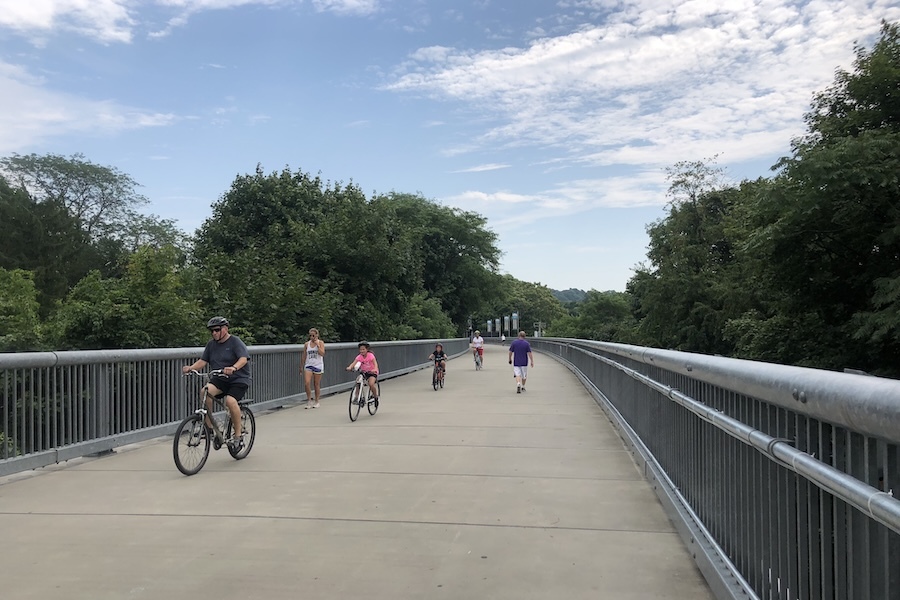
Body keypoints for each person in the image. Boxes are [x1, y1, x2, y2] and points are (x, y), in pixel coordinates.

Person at [182, 316, 251, 449]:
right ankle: (208, 429)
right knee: (205, 392)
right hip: (220, 378)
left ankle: (238, 436)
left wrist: (234, 368)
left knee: (230, 402)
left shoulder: (235, 342)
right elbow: (203, 361)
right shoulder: (211, 345)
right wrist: (191, 368)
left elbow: (243, 359)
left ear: (225, 329)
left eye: (217, 330)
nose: (214, 333)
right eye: (212, 331)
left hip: (238, 379)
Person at [303, 328, 325, 409]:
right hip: (308, 365)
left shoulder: (321, 343)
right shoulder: (306, 344)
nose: (312, 337)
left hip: (318, 365)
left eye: (313, 335)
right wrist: (301, 366)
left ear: (317, 335)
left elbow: (322, 353)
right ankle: (309, 400)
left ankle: (317, 401)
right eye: (310, 335)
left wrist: (317, 345)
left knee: (316, 384)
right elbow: (304, 355)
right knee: (307, 383)